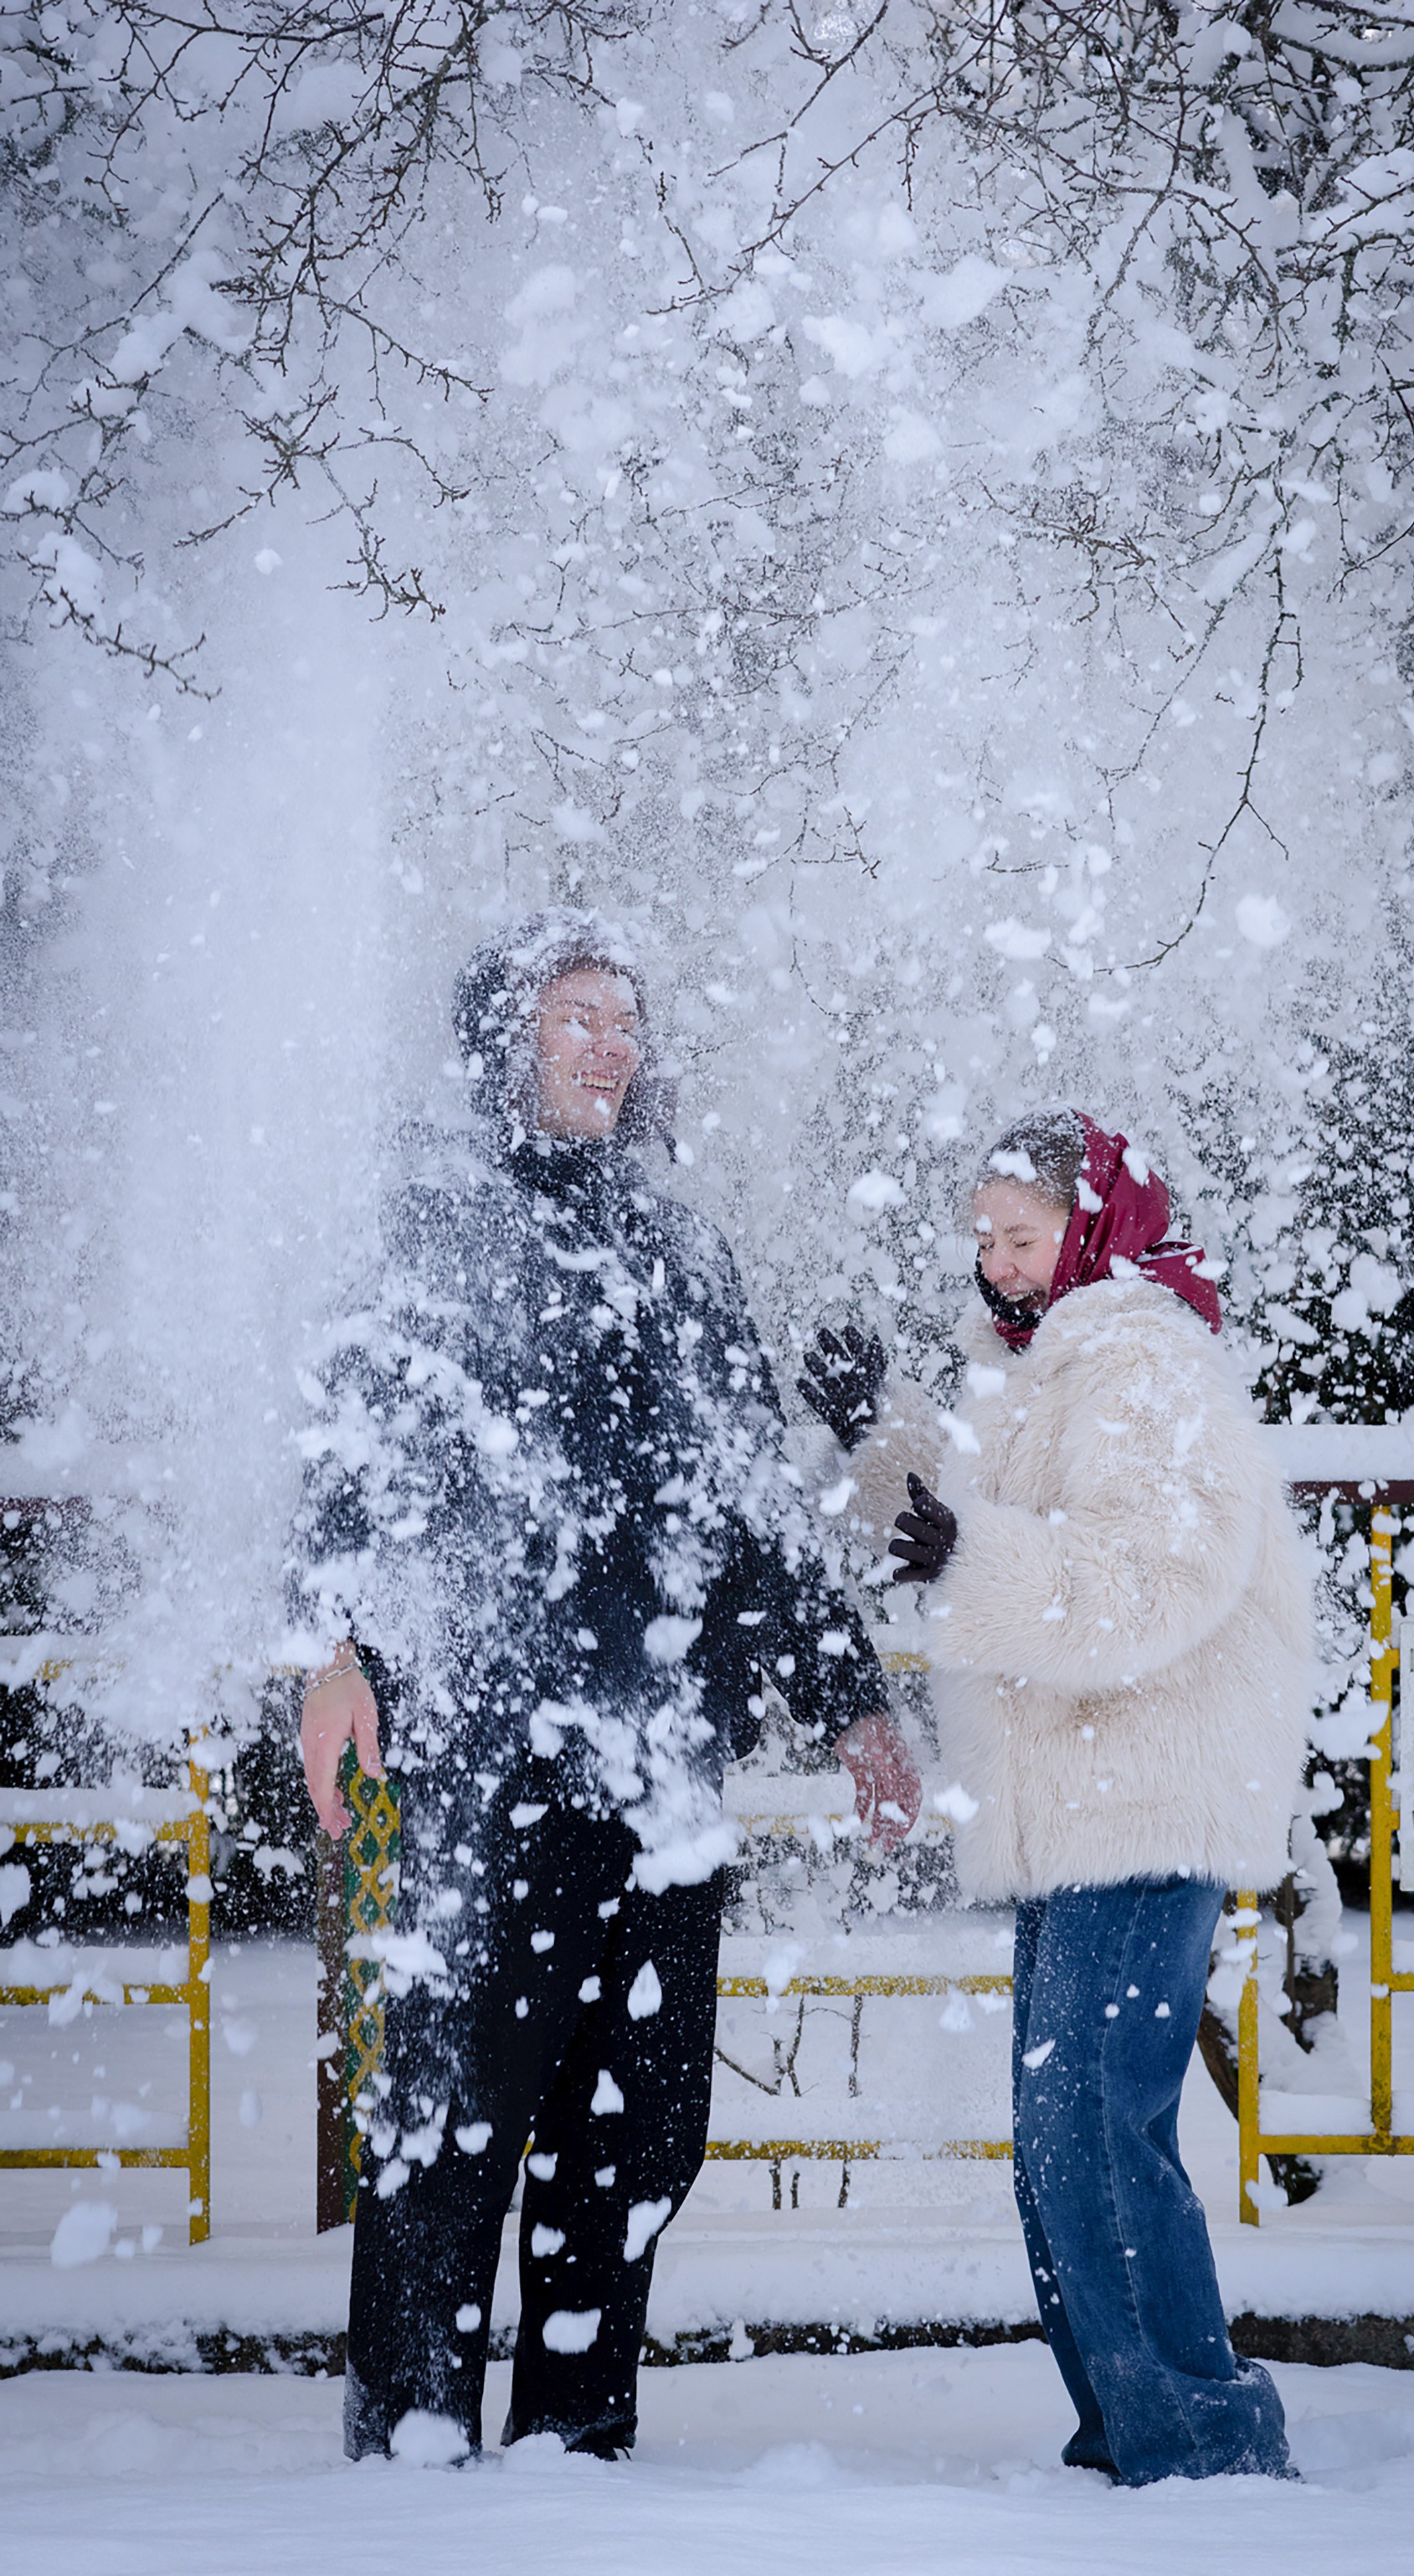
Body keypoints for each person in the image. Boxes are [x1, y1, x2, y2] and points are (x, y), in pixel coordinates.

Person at [290, 911, 920, 2464]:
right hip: (489, 1753)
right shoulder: (429, 1223)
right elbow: (342, 1442)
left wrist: (845, 1694)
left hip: (662, 1773)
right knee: (453, 2126)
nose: (607, 1045)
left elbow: (747, 1508)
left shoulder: (680, 1247)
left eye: (623, 1021)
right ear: (506, 1040)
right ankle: (410, 2450)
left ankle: (576, 2446)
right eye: (575, 1016)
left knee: (637, 2131)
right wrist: (325, 1642)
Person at [800, 1105, 1309, 2485]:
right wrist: (876, 1431)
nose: (998, 1263)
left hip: (1141, 1799)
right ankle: (1132, 2430)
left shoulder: (1141, 1361)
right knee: (1059, 2142)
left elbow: (1151, 1581)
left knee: (1090, 2130)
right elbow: (962, 1535)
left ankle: (1199, 2443)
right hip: (1063, 1809)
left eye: (1021, 1236)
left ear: (1089, 1228)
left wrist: (976, 1546)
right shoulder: (1037, 1369)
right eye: (982, 1238)